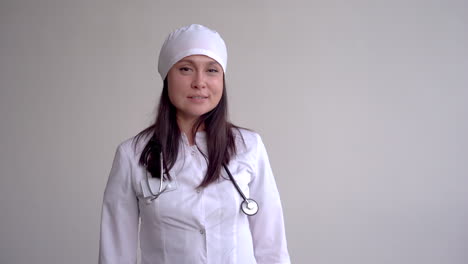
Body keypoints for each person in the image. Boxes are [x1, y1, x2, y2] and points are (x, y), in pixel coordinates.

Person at [99, 24, 291, 264]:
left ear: (222, 80)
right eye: (186, 69)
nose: (200, 82)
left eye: (212, 70)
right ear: (167, 76)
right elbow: (116, 253)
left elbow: (271, 244)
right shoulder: (132, 154)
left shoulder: (249, 146)